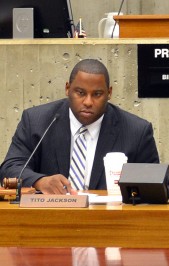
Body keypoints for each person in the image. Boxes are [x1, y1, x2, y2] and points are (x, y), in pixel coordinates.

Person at [0, 59, 159, 194]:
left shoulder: (136, 131)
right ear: (67, 89)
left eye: (97, 94)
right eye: (80, 93)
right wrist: (40, 181)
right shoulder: (37, 121)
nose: (88, 102)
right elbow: (10, 169)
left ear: (109, 93)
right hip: (50, 220)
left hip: (111, 222)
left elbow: (154, 185)